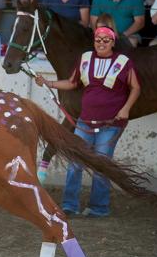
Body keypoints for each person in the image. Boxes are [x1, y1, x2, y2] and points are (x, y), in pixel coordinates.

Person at [34, 25, 140, 217]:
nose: (101, 43)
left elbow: (135, 88)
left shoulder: (123, 62)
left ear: (113, 42)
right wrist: (49, 83)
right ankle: (69, 205)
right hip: (85, 122)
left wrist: (125, 109)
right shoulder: (85, 59)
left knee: (101, 163)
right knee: (76, 162)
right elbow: (72, 83)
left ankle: (99, 207)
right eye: (98, 39)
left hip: (110, 124)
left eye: (105, 40)